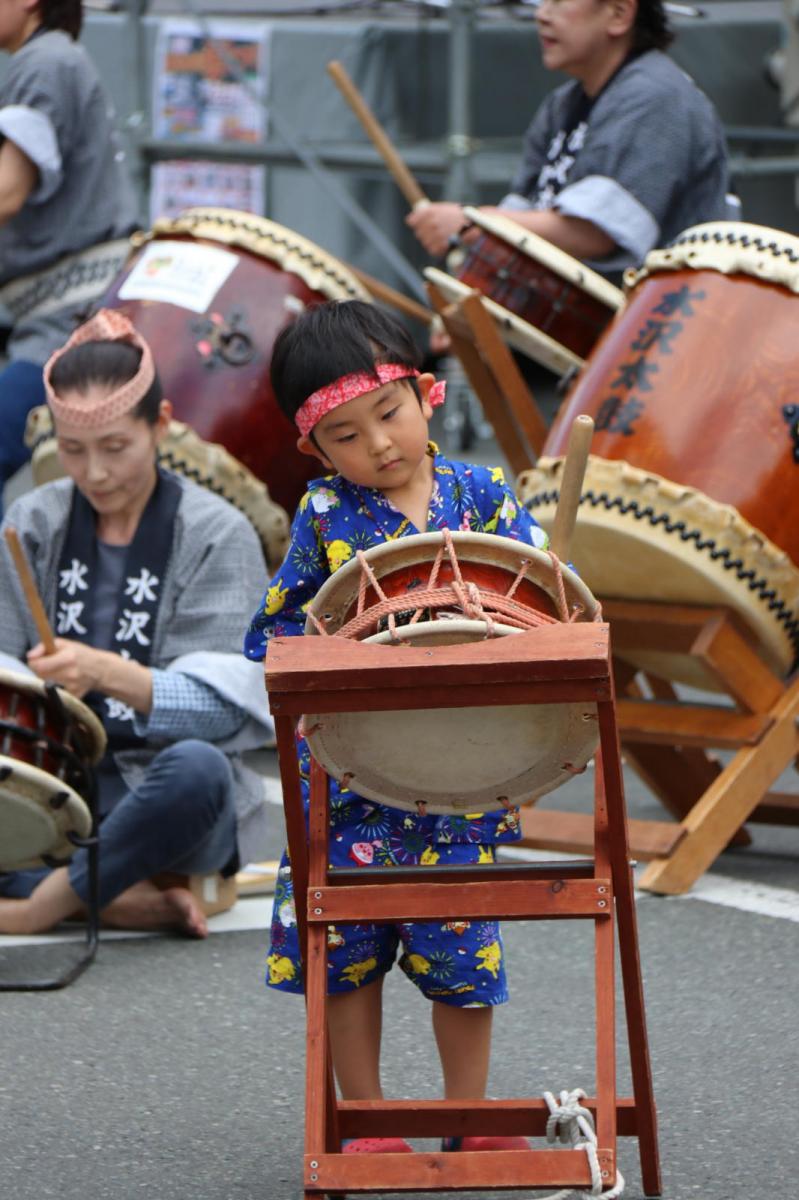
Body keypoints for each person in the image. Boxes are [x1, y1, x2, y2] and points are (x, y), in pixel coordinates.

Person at [244, 300, 550, 1153]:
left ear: (426, 393)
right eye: (345, 434)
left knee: (464, 955)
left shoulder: (481, 494)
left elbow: (541, 604)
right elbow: (269, 636)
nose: (377, 444)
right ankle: (369, 1119)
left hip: (462, 771)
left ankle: (469, 1116)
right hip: (350, 777)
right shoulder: (321, 518)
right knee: (344, 953)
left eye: (389, 414)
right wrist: (327, 647)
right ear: (313, 448)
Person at [0, 310, 273, 938]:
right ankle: (116, 898)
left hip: (159, 790)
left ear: (163, 424)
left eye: (115, 447)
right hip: (55, 783)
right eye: (73, 451)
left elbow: (229, 715)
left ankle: (39, 904)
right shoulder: (31, 521)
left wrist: (106, 674)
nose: (94, 473)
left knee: (199, 770)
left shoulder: (215, 533)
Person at [407, 0, 730, 280]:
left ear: (619, 13)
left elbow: (595, 232)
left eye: (559, 1)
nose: (542, 15)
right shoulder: (562, 105)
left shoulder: (657, 97)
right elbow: (524, 216)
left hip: (661, 332)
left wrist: (471, 224)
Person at [0, 0, 137, 509]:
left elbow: (6, 192)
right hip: (64, 320)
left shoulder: (47, 61)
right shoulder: (47, 60)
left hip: (72, 325)